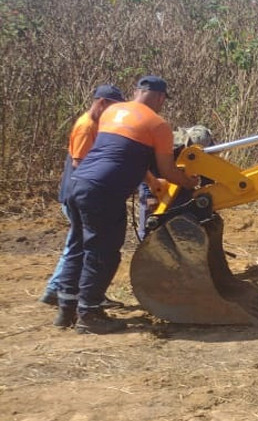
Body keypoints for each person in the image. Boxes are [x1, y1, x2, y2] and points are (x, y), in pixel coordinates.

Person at [54, 75, 199, 334]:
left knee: (78, 245)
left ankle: (66, 310)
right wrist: (188, 182)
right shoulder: (158, 124)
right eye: (164, 100)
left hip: (78, 184)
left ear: (135, 92)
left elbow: (120, 152)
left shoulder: (112, 112)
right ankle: (89, 313)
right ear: (160, 97)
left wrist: (150, 181)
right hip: (103, 192)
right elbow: (167, 168)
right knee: (103, 252)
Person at [41, 83, 127, 307]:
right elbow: (80, 163)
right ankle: (60, 290)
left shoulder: (98, 125)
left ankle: (61, 289)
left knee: (78, 244)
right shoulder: (86, 126)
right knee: (79, 245)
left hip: (81, 193)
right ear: (101, 103)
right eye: (112, 107)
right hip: (78, 194)